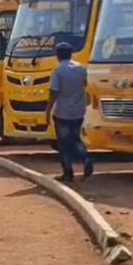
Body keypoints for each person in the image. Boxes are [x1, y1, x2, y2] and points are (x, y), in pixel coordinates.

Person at [44, 42, 94, 182]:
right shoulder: (81, 69)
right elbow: (84, 86)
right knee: (75, 138)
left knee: (63, 144)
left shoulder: (58, 71)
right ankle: (85, 158)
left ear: (57, 56)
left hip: (62, 112)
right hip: (78, 111)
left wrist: (47, 111)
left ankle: (68, 173)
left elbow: (54, 92)